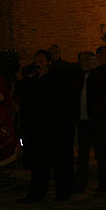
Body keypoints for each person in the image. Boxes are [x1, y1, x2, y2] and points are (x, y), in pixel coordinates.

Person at [17, 50, 73, 202]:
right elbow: (24, 99)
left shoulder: (56, 79)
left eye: (41, 61)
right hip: (37, 130)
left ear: (48, 62)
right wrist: (25, 80)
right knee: (39, 165)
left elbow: (59, 100)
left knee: (59, 164)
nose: (38, 64)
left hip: (55, 129)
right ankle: (35, 194)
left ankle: (63, 193)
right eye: (36, 61)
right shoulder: (32, 81)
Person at [73, 51, 106, 193]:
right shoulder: (79, 77)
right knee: (82, 154)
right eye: (81, 60)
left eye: (86, 60)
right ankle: (80, 183)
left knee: (101, 154)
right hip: (83, 121)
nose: (84, 63)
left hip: (98, 121)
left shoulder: (100, 75)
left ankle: (103, 184)